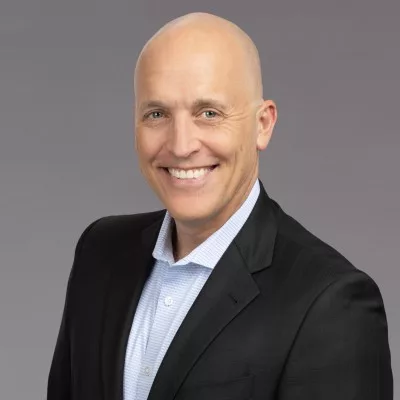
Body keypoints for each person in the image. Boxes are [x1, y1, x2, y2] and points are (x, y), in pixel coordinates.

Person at [47, 12, 393, 400]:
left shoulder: (331, 305)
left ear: (263, 124)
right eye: (157, 114)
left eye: (209, 113)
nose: (181, 145)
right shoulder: (99, 252)